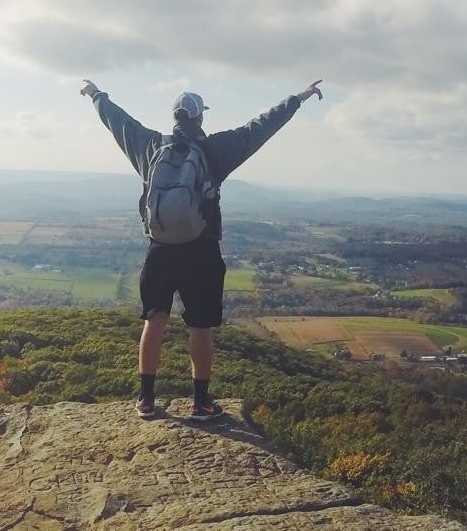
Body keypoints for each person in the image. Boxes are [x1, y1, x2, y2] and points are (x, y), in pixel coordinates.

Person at [80, 78, 324, 420]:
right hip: (201, 250)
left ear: (174, 117)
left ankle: (146, 400)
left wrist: (95, 94)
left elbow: (116, 119)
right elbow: (259, 127)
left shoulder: (149, 145)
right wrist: (296, 99)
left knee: (155, 320)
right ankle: (201, 403)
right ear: (200, 119)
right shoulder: (214, 150)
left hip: (159, 249)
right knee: (200, 328)